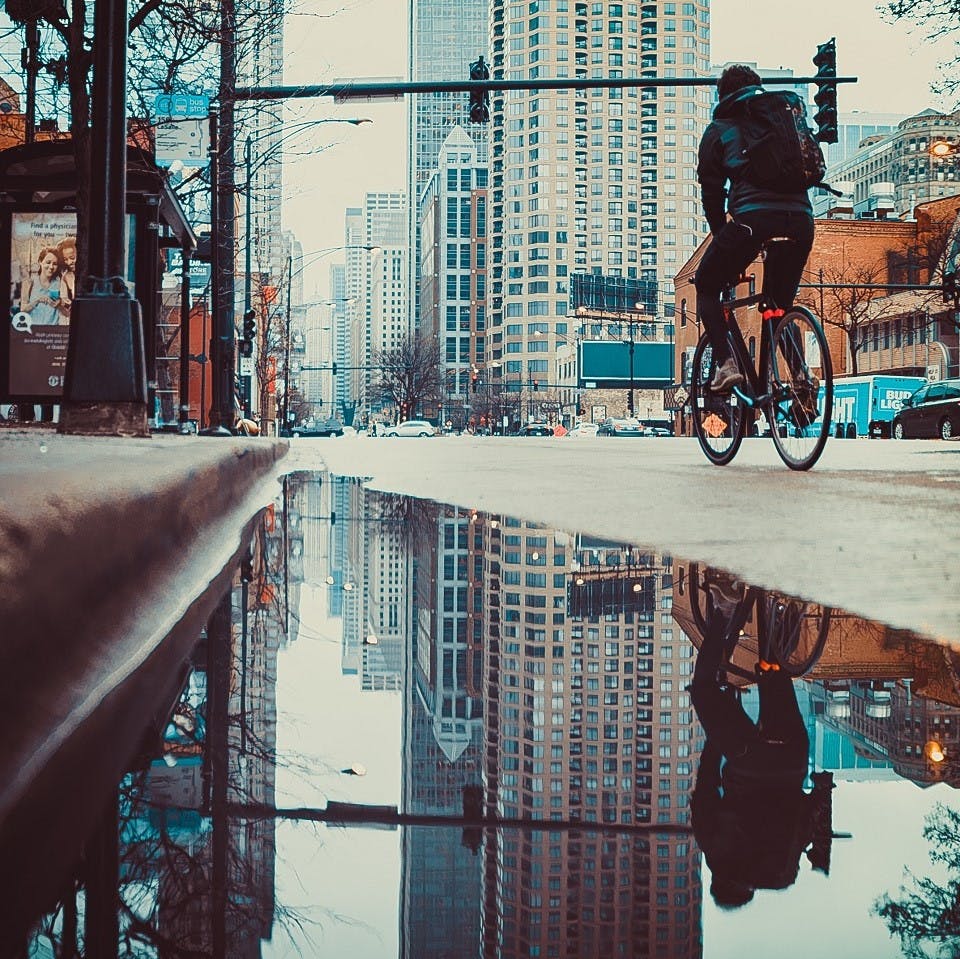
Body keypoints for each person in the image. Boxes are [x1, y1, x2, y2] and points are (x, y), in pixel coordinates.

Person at [687, 578, 833, 908]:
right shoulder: (719, 856)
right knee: (703, 691)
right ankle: (725, 609)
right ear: (720, 883)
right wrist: (720, 732)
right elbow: (707, 785)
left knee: (774, 670)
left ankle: (790, 610)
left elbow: (810, 816)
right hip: (750, 760)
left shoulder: (784, 867)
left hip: (794, 759)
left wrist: (819, 790)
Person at [695, 64, 816, 393]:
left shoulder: (719, 129)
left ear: (722, 95)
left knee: (706, 285)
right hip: (802, 220)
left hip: (752, 221)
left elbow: (711, 193)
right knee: (779, 304)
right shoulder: (785, 121)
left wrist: (722, 239)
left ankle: (726, 364)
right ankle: (802, 375)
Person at [19, 247, 65, 326]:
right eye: (48, 262)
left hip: (53, 333)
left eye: (55, 264)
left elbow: (67, 313)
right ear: (40, 262)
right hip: (34, 331)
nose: (51, 267)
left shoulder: (60, 284)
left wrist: (59, 306)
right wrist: (37, 301)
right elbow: (23, 310)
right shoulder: (29, 282)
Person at [55, 236, 77, 320]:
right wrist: (63, 303)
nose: (69, 262)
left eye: (72, 258)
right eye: (65, 259)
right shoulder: (66, 277)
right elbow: (64, 309)